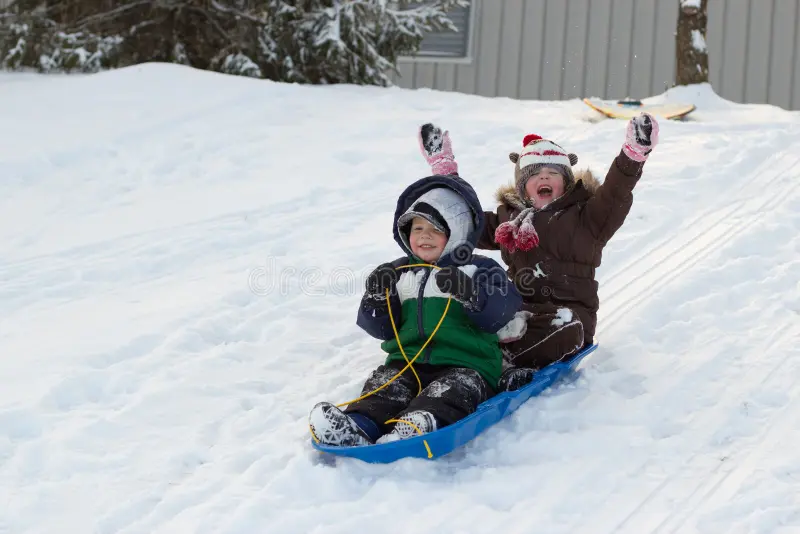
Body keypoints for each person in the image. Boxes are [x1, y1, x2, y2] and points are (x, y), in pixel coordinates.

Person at [417, 113, 660, 390]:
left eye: (554, 171)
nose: (544, 175)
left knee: (568, 330)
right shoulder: (509, 220)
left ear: (566, 183)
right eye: (534, 172)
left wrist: (633, 154)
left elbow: (616, 192)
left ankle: (501, 360)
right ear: (522, 187)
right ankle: (462, 348)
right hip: (513, 313)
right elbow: (464, 220)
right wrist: (444, 170)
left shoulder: (588, 217)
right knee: (472, 296)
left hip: (565, 315)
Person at [308, 172, 522, 446]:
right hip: (407, 361)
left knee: (451, 392)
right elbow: (382, 329)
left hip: (468, 364)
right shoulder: (398, 272)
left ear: (457, 232)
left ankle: (417, 425)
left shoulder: (478, 270)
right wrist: (376, 297)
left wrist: (469, 293)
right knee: (386, 386)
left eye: (436, 230)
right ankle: (358, 426)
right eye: (418, 229)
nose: (424, 237)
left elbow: (502, 310)